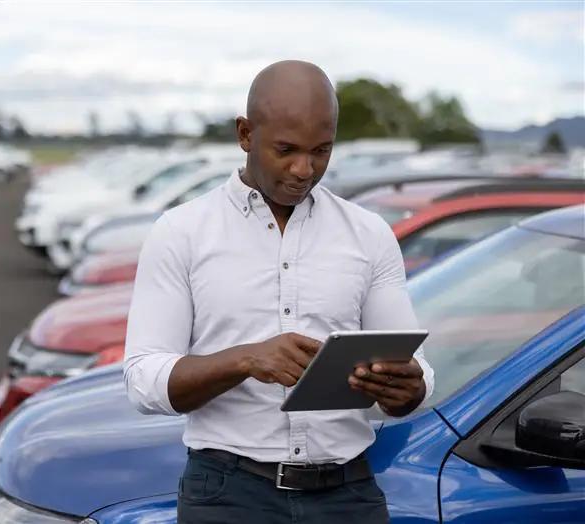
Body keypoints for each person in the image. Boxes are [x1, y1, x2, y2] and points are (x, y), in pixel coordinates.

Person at [123, 60, 434, 524]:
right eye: (285, 149)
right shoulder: (181, 232)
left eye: (321, 151)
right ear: (245, 134)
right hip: (228, 496)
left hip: (347, 495)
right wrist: (247, 359)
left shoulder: (368, 234)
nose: (304, 169)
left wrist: (407, 389)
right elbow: (143, 380)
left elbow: (416, 375)